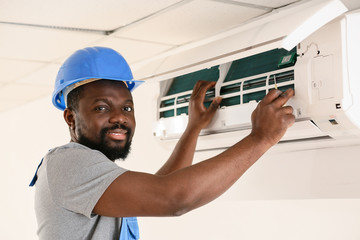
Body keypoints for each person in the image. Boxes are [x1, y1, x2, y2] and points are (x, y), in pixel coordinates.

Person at [30, 46, 295, 240]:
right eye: (101, 108)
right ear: (70, 117)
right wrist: (262, 138)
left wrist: (192, 128)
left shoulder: (91, 173)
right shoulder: (69, 162)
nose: (119, 118)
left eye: (127, 108)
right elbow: (174, 198)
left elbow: (163, 186)